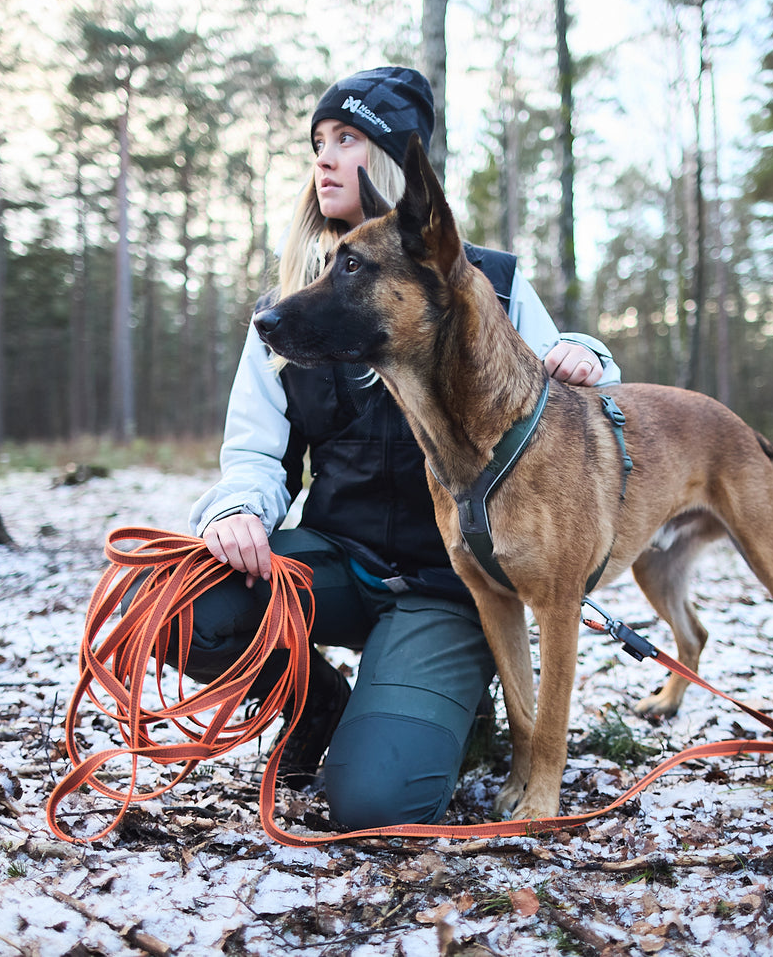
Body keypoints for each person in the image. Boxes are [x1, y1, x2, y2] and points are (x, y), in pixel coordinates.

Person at [181, 65, 620, 830]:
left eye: (344, 138)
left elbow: (570, 392)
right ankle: (320, 708)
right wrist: (237, 510)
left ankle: (450, 701)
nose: (321, 157)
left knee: (374, 804)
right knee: (179, 606)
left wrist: (587, 354)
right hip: (339, 557)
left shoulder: (490, 282)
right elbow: (253, 452)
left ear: (390, 162)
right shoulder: (286, 310)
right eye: (317, 141)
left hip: (447, 586)